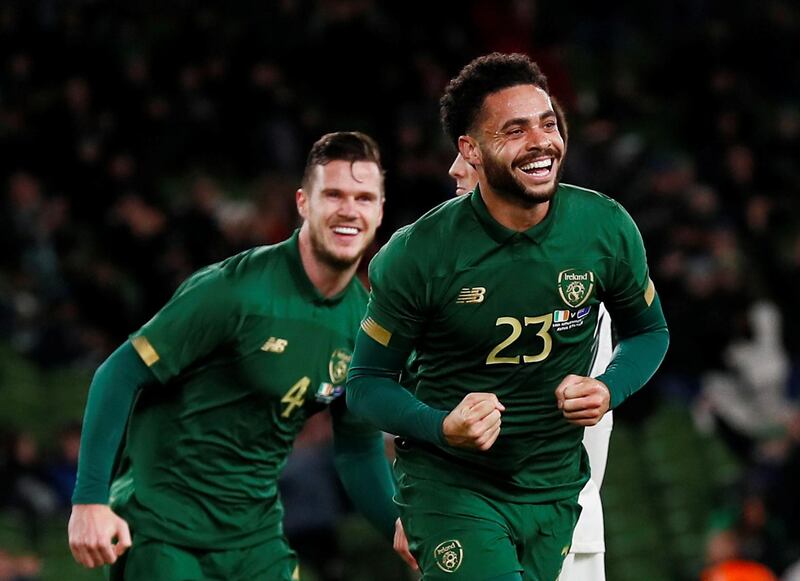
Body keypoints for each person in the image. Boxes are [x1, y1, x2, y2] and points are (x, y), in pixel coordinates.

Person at [346, 52, 669, 581]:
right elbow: (365, 383)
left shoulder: (603, 229)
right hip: (453, 485)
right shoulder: (417, 255)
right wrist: (442, 427)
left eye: (548, 124)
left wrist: (610, 388)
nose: (541, 140)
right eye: (515, 130)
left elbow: (649, 330)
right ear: (471, 150)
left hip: (554, 491)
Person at [68, 131, 409, 579]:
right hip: (164, 529)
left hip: (255, 539)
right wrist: (90, 499)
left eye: (364, 198)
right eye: (334, 195)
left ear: (380, 211)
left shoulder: (362, 324)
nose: (349, 210)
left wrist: (401, 530)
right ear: (304, 203)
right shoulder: (233, 290)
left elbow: (359, 451)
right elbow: (117, 374)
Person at [448, 149, 614, 581]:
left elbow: (585, 417)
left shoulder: (581, 283)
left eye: (468, 157)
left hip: (555, 527)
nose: (454, 170)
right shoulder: (447, 273)